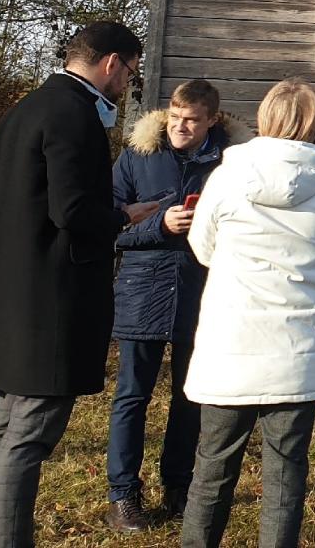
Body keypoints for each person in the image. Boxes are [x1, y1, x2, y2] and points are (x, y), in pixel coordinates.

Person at [0, 20, 164, 548]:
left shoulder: (25, 109)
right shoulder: (73, 115)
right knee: (28, 436)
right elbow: (71, 210)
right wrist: (123, 217)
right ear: (111, 62)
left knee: (3, 428)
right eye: (130, 75)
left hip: (9, 289)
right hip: (50, 299)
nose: (127, 87)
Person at [180, 79, 315, 548]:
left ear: (266, 118)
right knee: (285, 470)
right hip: (299, 348)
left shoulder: (226, 176)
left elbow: (202, 248)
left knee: (212, 465)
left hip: (231, 342)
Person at [105, 79, 250, 531]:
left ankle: (178, 487)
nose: (180, 127)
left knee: (191, 398)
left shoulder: (233, 163)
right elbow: (108, 227)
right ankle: (123, 495)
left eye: (191, 120)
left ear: (212, 121)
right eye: (174, 116)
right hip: (142, 290)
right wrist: (161, 226)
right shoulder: (137, 156)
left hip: (203, 292)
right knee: (132, 395)